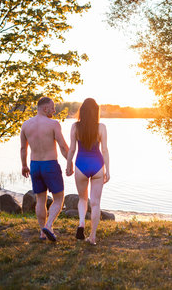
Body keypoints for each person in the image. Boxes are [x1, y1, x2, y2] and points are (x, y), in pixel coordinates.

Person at [20, 97, 69, 242]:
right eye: (52, 107)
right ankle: (48, 226)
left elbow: (23, 148)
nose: (54, 110)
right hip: (50, 165)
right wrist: (70, 162)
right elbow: (63, 146)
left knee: (40, 200)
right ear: (45, 108)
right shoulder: (53, 124)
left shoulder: (25, 125)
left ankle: (42, 233)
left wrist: (24, 165)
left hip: (35, 165)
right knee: (59, 198)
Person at [66, 98, 110, 245]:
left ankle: (81, 223)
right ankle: (92, 236)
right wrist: (108, 170)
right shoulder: (101, 127)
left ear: (82, 111)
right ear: (96, 111)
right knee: (96, 203)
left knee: (83, 199)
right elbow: (104, 150)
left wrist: (68, 165)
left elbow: (72, 149)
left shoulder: (75, 127)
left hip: (81, 165)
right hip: (97, 165)